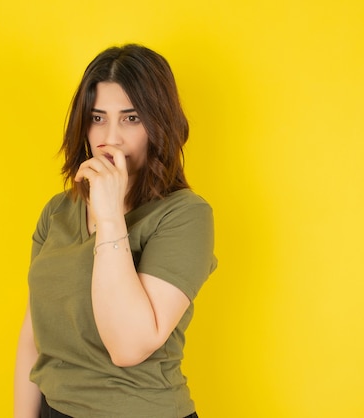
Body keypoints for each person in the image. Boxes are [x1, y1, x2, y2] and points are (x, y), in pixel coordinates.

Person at [14, 44, 217, 418]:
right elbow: (33, 335)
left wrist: (109, 216)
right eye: (97, 117)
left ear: (159, 124)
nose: (110, 138)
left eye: (131, 118)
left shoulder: (185, 216)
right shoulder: (58, 212)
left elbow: (128, 346)